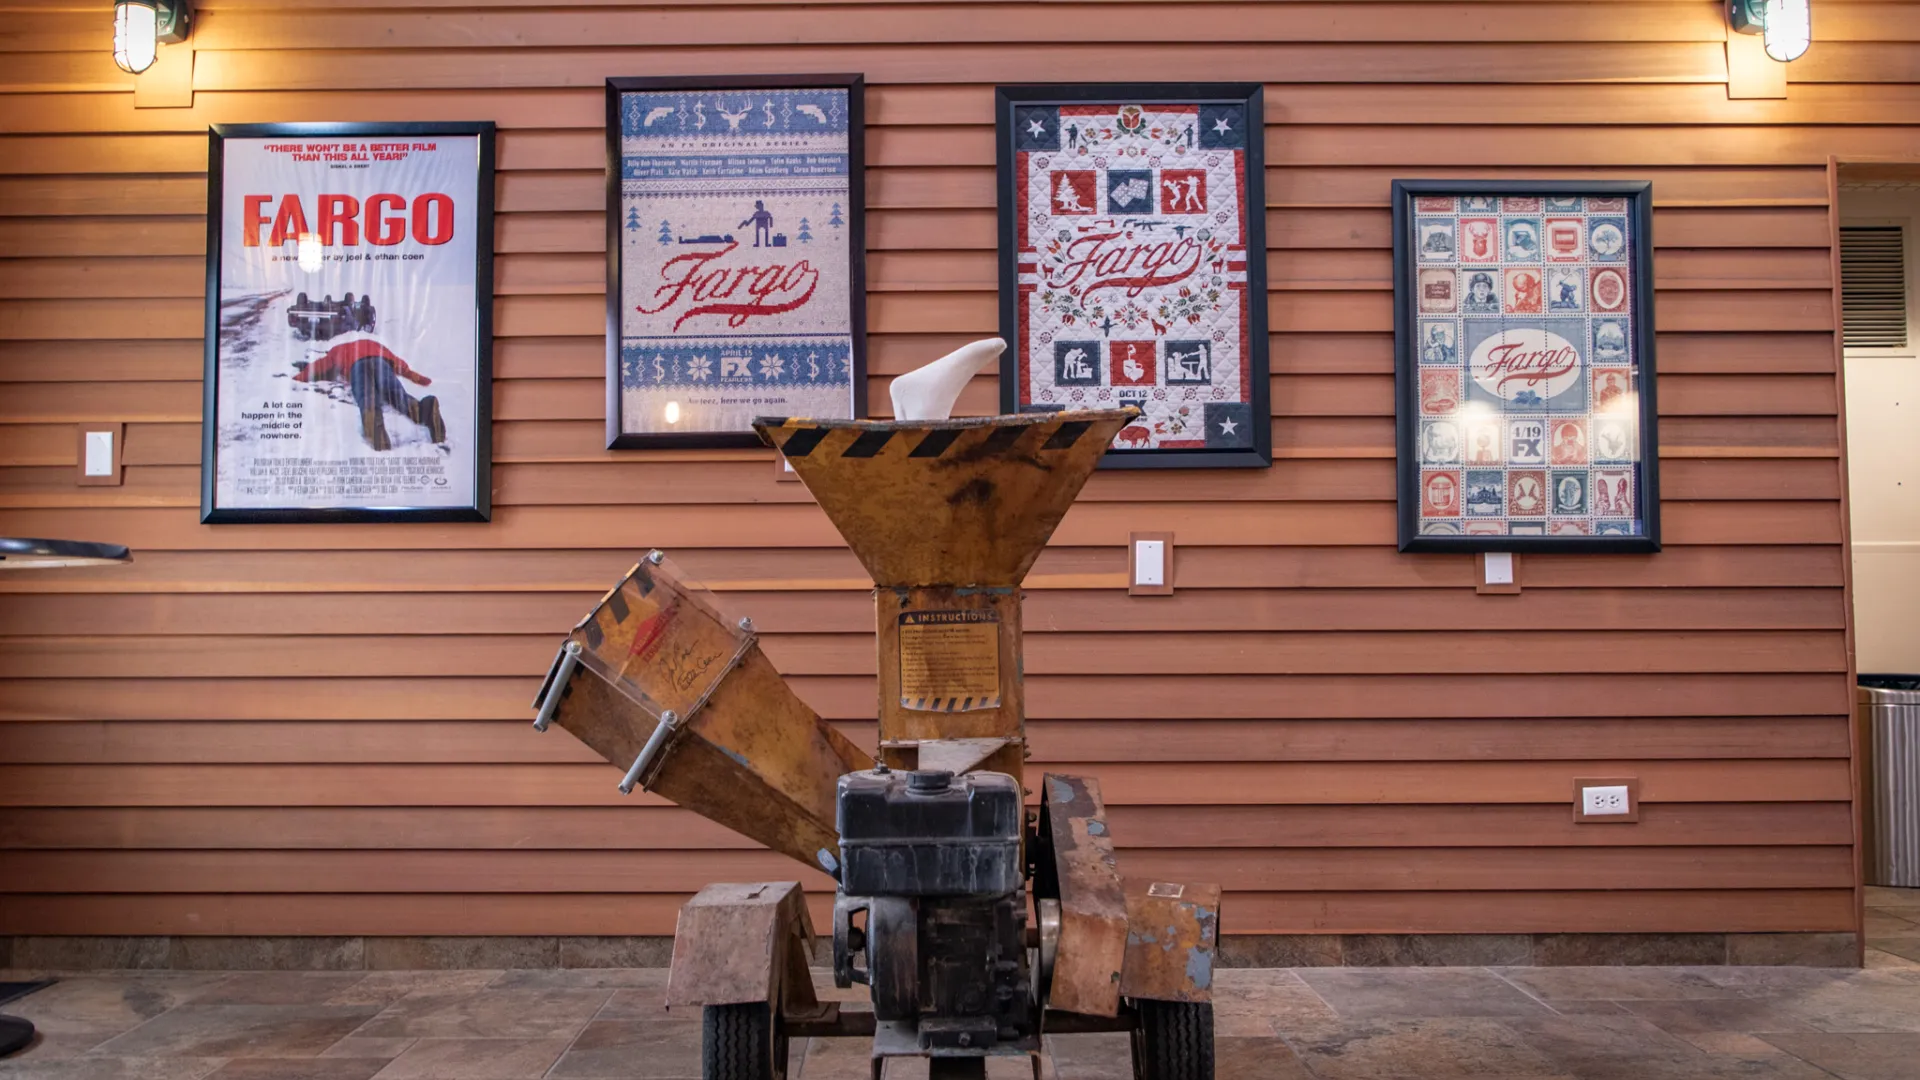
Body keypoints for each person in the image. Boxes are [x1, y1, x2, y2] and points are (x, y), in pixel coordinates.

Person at [293, 336, 446, 451]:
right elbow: (399, 363)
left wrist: (299, 376)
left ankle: (374, 427)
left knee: (366, 396)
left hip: (357, 366)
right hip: (381, 363)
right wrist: (418, 378)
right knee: (397, 395)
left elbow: (320, 366)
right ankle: (424, 409)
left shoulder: (338, 349)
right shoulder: (375, 344)